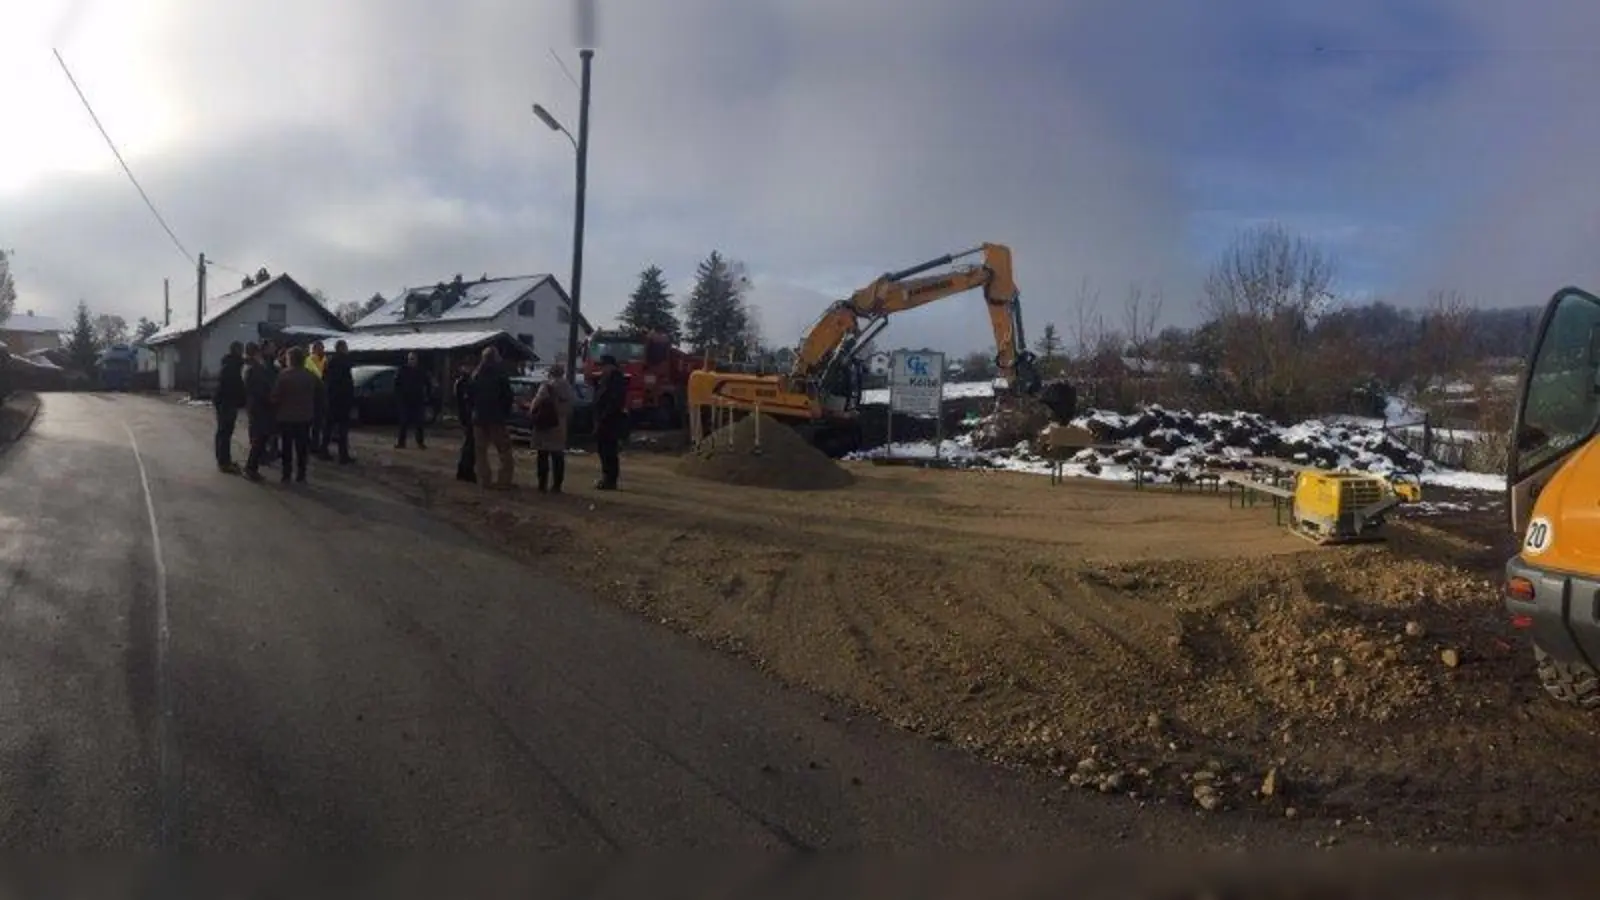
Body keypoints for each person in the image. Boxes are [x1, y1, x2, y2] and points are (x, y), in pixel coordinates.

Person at [270, 346, 321, 483]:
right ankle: (301, 474)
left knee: (287, 447)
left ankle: (286, 475)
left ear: (290, 359)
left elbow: (275, 397)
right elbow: (318, 395)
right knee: (302, 448)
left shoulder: (283, 376)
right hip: (305, 417)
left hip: (286, 417)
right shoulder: (310, 376)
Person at [470, 346, 515, 489]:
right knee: (504, 450)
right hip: (496, 417)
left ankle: (484, 480)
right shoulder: (500, 374)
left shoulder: (476, 374)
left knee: (481, 451)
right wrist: (505, 413)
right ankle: (504, 481)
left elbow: (470, 395)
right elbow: (508, 396)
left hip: (478, 417)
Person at [531, 363, 576, 493]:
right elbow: (571, 406)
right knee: (558, 455)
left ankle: (542, 483)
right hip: (560, 424)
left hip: (545, 424)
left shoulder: (547, 386)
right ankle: (557, 485)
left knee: (543, 454)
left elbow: (536, 403)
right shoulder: (568, 387)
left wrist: (531, 411)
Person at [241, 343, 277, 482]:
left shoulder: (254, 367)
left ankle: (253, 466)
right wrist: (269, 397)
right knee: (259, 438)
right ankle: (251, 468)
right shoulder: (252, 368)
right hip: (259, 407)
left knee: (261, 437)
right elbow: (257, 389)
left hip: (258, 406)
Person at [592, 354, 628, 490]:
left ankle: (610, 479)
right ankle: (606, 476)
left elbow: (614, 401)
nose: (602, 369)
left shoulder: (615, 378)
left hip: (610, 421)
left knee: (609, 451)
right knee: (603, 450)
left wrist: (604, 416)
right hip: (603, 420)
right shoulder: (605, 378)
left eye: (603, 366)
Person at [213, 340, 246, 474]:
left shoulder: (228, 364)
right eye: (241, 350)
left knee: (223, 432)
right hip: (227, 403)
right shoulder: (233, 366)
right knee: (225, 432)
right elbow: (234, 386)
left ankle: (223, 460)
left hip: (224, 402)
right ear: (237, 351)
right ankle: (224, 462)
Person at [320, 339, 356, 464]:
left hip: (331, 399)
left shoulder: (329, 362)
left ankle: (323, 451)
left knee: (328, 427)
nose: (347, 349)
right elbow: (346, 383)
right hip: (342, 400)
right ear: (341, 348)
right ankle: (343, 455)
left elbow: (325, 379)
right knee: (342, 429)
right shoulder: (344, 362)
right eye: (346, 347)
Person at [394, 352, 430, 449]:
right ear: (408, 360)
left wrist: (427, 396)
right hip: (405, 400)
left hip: (418, 399)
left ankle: (420, 442)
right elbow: (396, 384)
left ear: (417, 360)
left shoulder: (421, 371)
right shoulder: (402, 370)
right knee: (403, 421)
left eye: (413, 359)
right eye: (410, 359)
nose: (412, 361)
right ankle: (401, 442)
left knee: (419, 422)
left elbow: (428, 383)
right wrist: (399, 397)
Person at [452, 360, 477, 483]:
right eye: (467, 366)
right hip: (467, 417)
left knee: (469, 444)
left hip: (466, 416)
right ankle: (465, 471)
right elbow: (464, 402)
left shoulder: (463, 382)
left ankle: (464, 470)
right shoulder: (464, 383)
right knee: (470, 445)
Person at [305, 341, 328, 451]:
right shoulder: (310, 360)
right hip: (313, 394)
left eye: (322, 348)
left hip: (320, 393)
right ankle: (312, 444)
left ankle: (314, 443)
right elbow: (313, 376)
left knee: (317, 422)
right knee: (313, 422)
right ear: (314, 349)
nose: (322, 350)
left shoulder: (324, 359)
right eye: (319, 348)